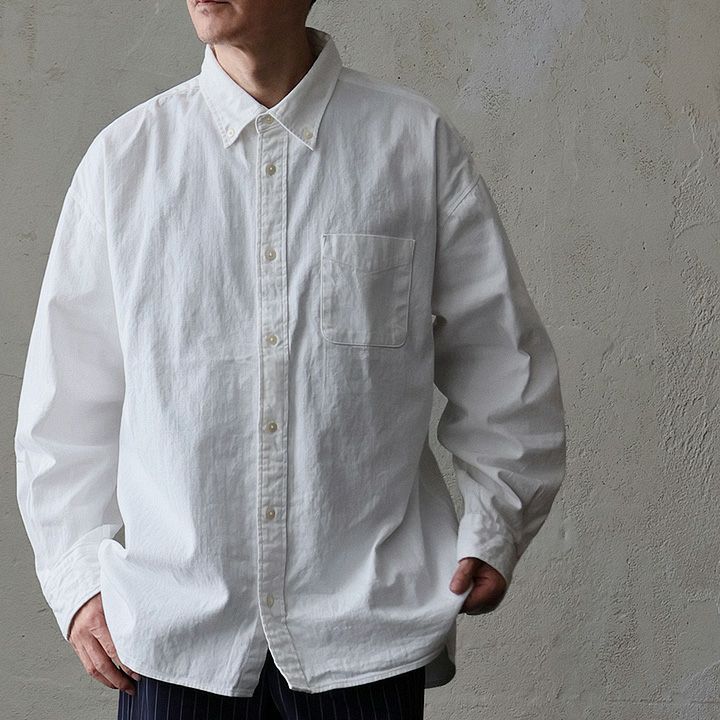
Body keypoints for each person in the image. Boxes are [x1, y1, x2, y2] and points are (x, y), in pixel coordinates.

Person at [13, 1, 567, 718]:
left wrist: (497, 524)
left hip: (364, 639)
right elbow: (64, 407)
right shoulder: (125, 163)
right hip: (174, 642)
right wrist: (78, 582)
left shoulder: (413, 146)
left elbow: (501, 359)